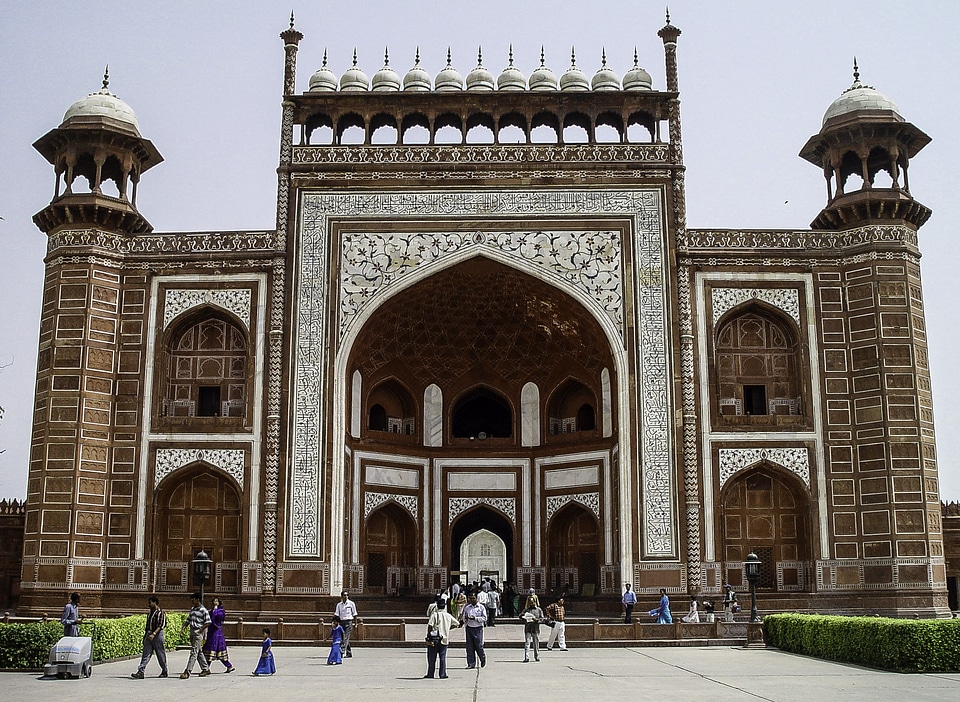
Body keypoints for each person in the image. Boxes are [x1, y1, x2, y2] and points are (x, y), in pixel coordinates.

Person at [131, 595, 168, 679]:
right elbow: (148, 625)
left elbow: (161, 625)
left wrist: (154, 634)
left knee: (160, 654)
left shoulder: (160, 613)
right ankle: (141, 671)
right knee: (146, 653)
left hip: (157, 635)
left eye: (150, 602)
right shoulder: (150, 613)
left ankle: (164, 670)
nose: (149, 604)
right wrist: (146, 636)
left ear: (155, 602)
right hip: (149, 634)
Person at [424, 594, 460, 679]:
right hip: (444, 639)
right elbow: (457, 624)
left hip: (434, 639)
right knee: (442, 658)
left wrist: (429, 635)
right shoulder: (448, 615)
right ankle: (442, 674)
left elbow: (430, 626)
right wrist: (448, 628)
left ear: (437, 606)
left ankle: (430, 673)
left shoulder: (435, 615)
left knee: (431, 658)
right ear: (444, 606)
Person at [179, 592, 211, 678]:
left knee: (194, 652)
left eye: (193, 599)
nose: (192, 601)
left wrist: (200, 630)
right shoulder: (193, 609)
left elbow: (208, 622)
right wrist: (183, 629)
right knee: (198, 651)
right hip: (192, 631)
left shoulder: (203, 610)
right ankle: (205, 668)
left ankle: (187, 671)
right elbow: (188, 620)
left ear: (198, 600)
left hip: (198, 632)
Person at [202, 597, 235, 672]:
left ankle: (228, 666)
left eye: (216, 601)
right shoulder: (210, 611)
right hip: (211, 632)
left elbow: (216, 618)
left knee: (217, 649)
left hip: (217, 632)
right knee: (210, 649)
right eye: (214, 601)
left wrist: (215, 609)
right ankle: (207, 667)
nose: (215, 602)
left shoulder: (221, 612)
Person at [460, 592, 487, 669]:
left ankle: (482, 657)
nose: (472, 600)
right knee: (469, 647)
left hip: (478, 628)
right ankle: (471, 663)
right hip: (469, 628)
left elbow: (485, 618)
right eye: (470, 598)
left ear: (476, 598)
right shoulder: (467, 607)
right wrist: (465, 619)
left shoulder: (481, 607)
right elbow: (463, 617)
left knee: (479, 645)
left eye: (473, 598)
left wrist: (475, 618)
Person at [334, 590, 361, 658]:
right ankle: (349, 652)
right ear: (341, 596)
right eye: (344, 595)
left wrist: (355, 624)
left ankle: (341, 651)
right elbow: (337, 615)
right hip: (341, 622)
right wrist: (335, 623)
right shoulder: (339, 605)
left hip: (349, 622)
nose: (345, 597)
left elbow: (355, 614)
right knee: (344, 637)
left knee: (345, 637)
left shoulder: (351, 603)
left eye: (347, 595)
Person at [519, 595, 544, 662]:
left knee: (536, 643)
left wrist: (537, 620)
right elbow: (520, 616)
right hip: (528, 628)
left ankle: (537, 656)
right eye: (530, 602)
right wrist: (523, 616)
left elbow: (542, 619)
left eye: (532, 602)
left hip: (535, 629)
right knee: (527, 643)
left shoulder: (539, 610)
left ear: (535, 602)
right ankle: (526, 657)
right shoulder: (526, 610)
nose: (531, 603)